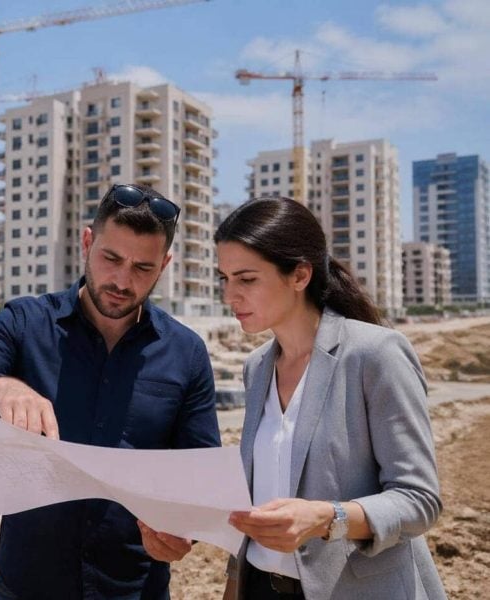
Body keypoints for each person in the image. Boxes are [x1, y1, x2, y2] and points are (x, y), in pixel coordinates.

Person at [139, 196, 445, 599]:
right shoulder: (257, 367)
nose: (230, 296)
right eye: (224, 279)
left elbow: (419, 499)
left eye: (246, 279)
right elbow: (260, 498)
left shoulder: (376, 354)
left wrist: (327, 518)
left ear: (300, 275)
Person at [0, 183, 221, 599]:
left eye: (143, 268)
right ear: (87, 242)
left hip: (133, 590)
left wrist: (183, 532)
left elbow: (201, 473)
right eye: (111, 258)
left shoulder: (187, 352)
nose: (122, 281)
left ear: (164, 265)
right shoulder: (25, 322)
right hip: (28, 587)